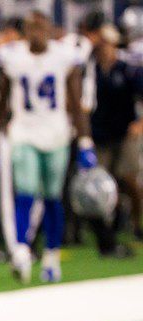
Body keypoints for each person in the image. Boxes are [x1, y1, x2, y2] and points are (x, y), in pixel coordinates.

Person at [0, 10, 96, 283]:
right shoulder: (13, 57)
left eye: (41, 28)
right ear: (26, 30)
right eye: (32, 28)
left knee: (52, 198)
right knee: (25, 194)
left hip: (56, 135)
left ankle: (51, 255)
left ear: (50, 30)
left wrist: (86, 141)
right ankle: (22, 251)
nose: (37, 33)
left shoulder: (64, 57)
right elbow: (2, 99)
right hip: (24, 133)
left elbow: (76, 103)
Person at [90, 26, 142, 255]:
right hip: (101, 134)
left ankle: (137, 222)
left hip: (125, 133)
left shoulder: (127, 70)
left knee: (128, 177)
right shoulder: (91, 71)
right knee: (104, 185)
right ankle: (107, 232)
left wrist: (140, 124)